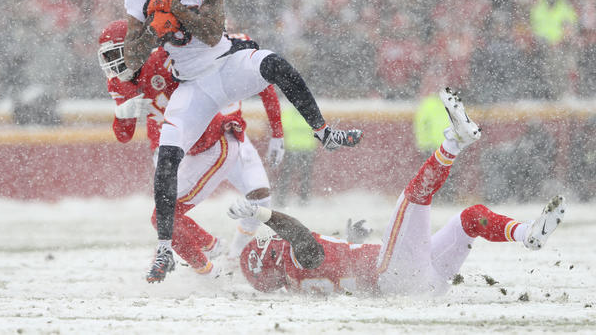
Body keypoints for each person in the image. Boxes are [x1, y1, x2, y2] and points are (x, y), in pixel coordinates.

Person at [122, 0, 363, 282]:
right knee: (169, 155)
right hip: (193, 87)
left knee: (276, 64)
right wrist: (154, 30)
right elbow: (131, 57)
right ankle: (162, 251)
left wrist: (175, 10)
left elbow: (211, 32)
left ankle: (323, 131)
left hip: (226, 66)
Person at [228, 88, 566, 295]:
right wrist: (260, 213)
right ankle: (454, 141)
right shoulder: (296, 259)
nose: (273, 242)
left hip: (424, 285)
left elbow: (335, 266)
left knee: (470, 218)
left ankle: (527, 234)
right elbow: (298, 233)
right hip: (394, 276)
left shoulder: (299, 287)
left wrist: (352, 241)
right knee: (413, 196)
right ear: (269, 259)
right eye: (269, 245)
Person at [98, 20, 285, 277]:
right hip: (173, 147)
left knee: (258, 197)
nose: (111, 63)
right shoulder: (120, 81)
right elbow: (123, 134)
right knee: (165, 216)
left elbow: (250, 79)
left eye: (114, 54)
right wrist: (122, 113)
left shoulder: (168, 59)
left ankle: (224, 257)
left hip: (212, 140)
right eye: (106, 56)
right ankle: (208, 255)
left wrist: (276, 131)